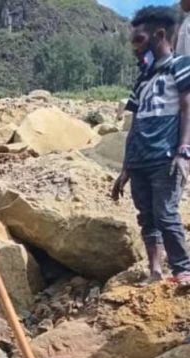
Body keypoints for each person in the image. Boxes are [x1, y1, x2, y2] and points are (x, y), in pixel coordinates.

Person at [112, 6, 190, 287]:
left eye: (138, 41)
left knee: (166, 213)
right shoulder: (142, 78)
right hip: (140, 159)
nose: (134, 48)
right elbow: (135, 122)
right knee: (147, 217)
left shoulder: (180, 66)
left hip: (166, 156)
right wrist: (125, 167)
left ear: (159, 35)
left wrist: (184, 150)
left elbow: (186, 106)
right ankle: (155, 271)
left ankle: (183, 270)